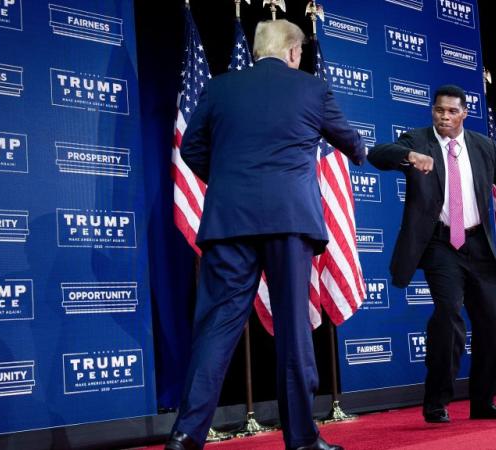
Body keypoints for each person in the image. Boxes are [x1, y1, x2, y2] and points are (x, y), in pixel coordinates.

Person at [165, 19, 365, 450]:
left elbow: (193, 150)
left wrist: (230, 180)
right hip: (289, 221)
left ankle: (185, 434)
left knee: (215, 329)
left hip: (229, 222)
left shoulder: (219, 88)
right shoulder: (311, 89)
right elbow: (351, 145)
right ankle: (302, 440)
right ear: (294, 52)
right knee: (293, 330)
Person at [368, 85, 496, 424]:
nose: (444, 117)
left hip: (478, 244)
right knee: (448, 314)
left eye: (452, 111)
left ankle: (483, 402)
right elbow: (379, 153)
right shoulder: (417, 140)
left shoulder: (483, 147)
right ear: (432, 111)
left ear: (464, 113)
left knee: (491, 324)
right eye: (439, 111)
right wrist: (409, 157)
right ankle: (436, 401)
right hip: (439, 244)